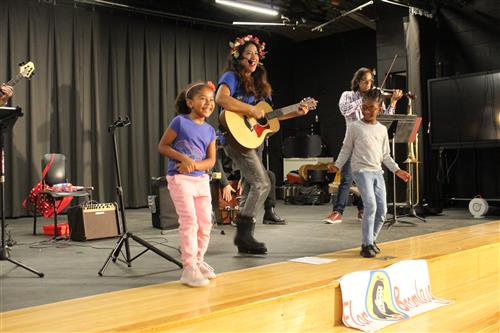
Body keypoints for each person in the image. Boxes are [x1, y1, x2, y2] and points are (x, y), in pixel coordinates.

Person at [215, 34, 314, 254]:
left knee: (256, 184)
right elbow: (221, 100)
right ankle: (243, 235)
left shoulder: (260, 85)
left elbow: (269, 117)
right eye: (248, 53)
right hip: (234, 138)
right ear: (238, 56)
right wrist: (250, 110)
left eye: (256, 54)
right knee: (262, 183)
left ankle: (244, 235)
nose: (252, 57)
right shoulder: (231, 76)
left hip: (250, 139)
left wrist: (296, 112)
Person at [328, 88, 411, 258]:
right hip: (361, 171)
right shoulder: (354, 127)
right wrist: (337, 165)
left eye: (371, 108)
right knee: (371, 206)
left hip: (377, 172)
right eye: (364, 107)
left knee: (382, 211)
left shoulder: (381, 129)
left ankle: (370, 240)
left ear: (379, 108)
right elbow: (346, 149)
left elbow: (385, 155)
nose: (366, 110)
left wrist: (397, 170)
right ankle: (366, 246)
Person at [324, 67, 403, 224]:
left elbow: (384, 120)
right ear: (358, 81)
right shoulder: (347, 95)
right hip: (352, 143)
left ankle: (362, 210)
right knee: (346, 178)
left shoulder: (374, 100)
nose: (369, 84)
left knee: (363, 181)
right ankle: (337, 212)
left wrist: (393, 102)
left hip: (369, 147)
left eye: (371, 82)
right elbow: (345, 111)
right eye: (365, 81)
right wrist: (365, 99)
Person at [158, 81, 217, 287]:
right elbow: (163, 146)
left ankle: (199, 261)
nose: (208, 103)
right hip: (180, 179)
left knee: (205, 223)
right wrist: (184, 159)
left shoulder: (210, 130)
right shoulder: (180, 122)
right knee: (190, 221)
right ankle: (189, 267)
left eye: (211, 100)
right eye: (203, 98)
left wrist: (193, 164)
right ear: (190, 102)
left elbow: (211, 161)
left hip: (201, 179)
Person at [214, 144, 286, 225]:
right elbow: (217, 165)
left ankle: (269, 212)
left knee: (270, 175)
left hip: (240, 172)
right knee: (257, 182)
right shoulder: (225, 142)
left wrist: (243, 176)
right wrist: (225, 184)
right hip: (227, 175)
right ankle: (241, 214)